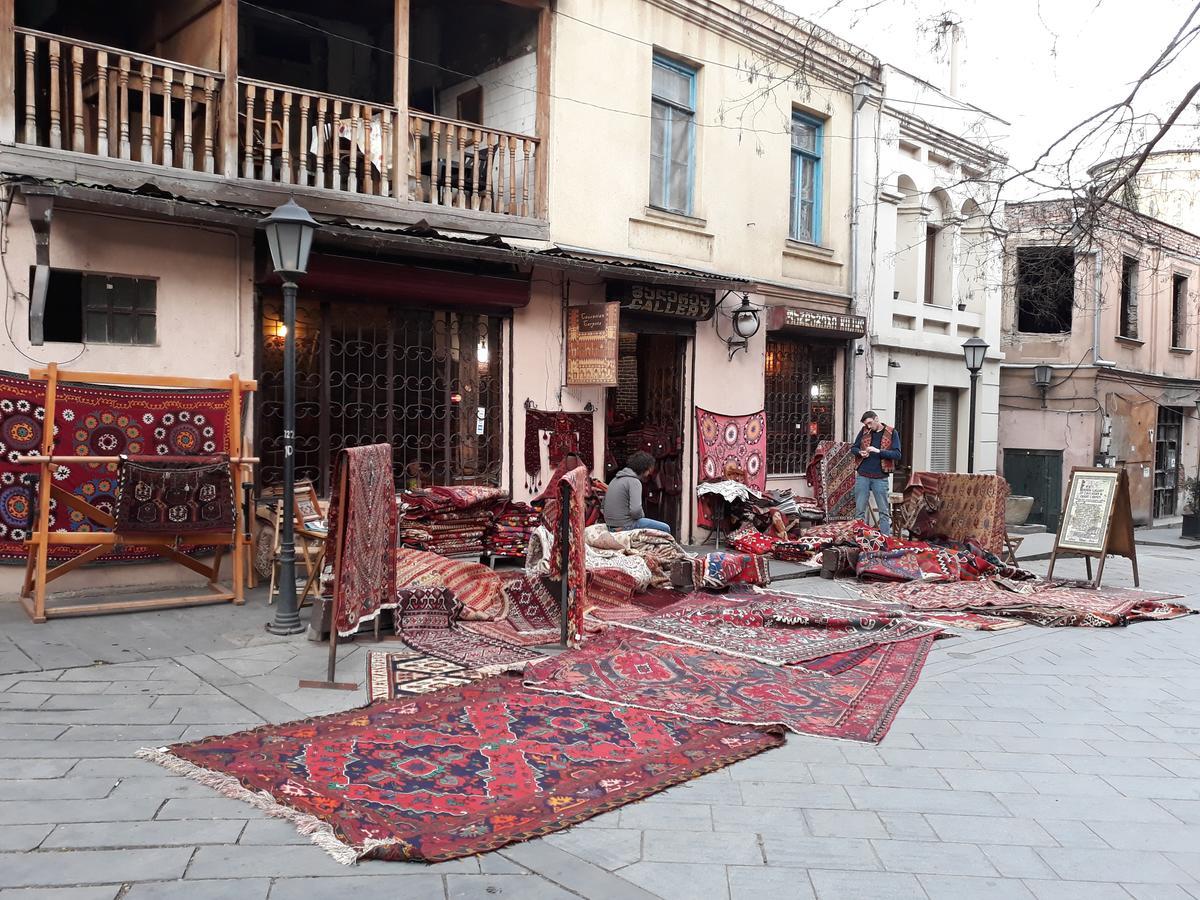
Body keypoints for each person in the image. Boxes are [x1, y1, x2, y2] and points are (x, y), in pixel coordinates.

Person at [853, 410, 902, 536]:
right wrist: (860, 452)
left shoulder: (892, 432)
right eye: (866, 424)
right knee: (859, 511)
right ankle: (860, 538)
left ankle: (885, 540)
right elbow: (854, 447)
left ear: (876, 419)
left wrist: (878, 451)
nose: (868, 426)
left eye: (870, 423)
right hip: (863, 474)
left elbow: (897, 454)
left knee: (883, 511)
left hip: (880, 477)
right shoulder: (864, 431)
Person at [603, 450, 671, 533]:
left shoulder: (615, 480)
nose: (649, 474)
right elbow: (636, 511)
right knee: (666, 528)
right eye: (649, 470)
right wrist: (642, 516)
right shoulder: (634, 482)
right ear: (645, 468)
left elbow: (603, 505)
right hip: (626, 525)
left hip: (610, 525)